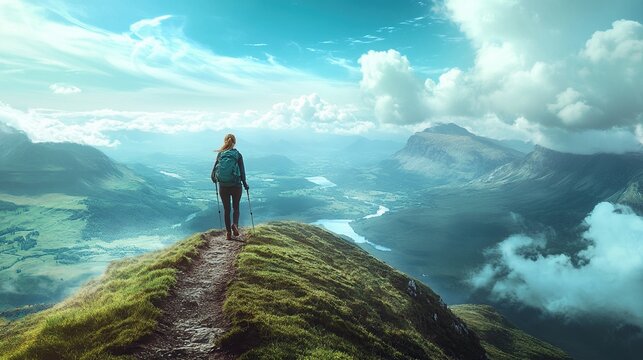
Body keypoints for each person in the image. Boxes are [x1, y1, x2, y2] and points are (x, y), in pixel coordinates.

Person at [211, 134, 249, 240]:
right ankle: (235, 225)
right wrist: (245, 184)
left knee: (226, 209)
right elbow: (242, 171)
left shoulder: (220, 154)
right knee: (236, 207)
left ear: (225, 142)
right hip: (236, 185)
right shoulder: (237, 154)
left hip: (223, 186)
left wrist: (215, 179)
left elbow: (213, 172)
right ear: (234, 142)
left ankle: (228, 233)